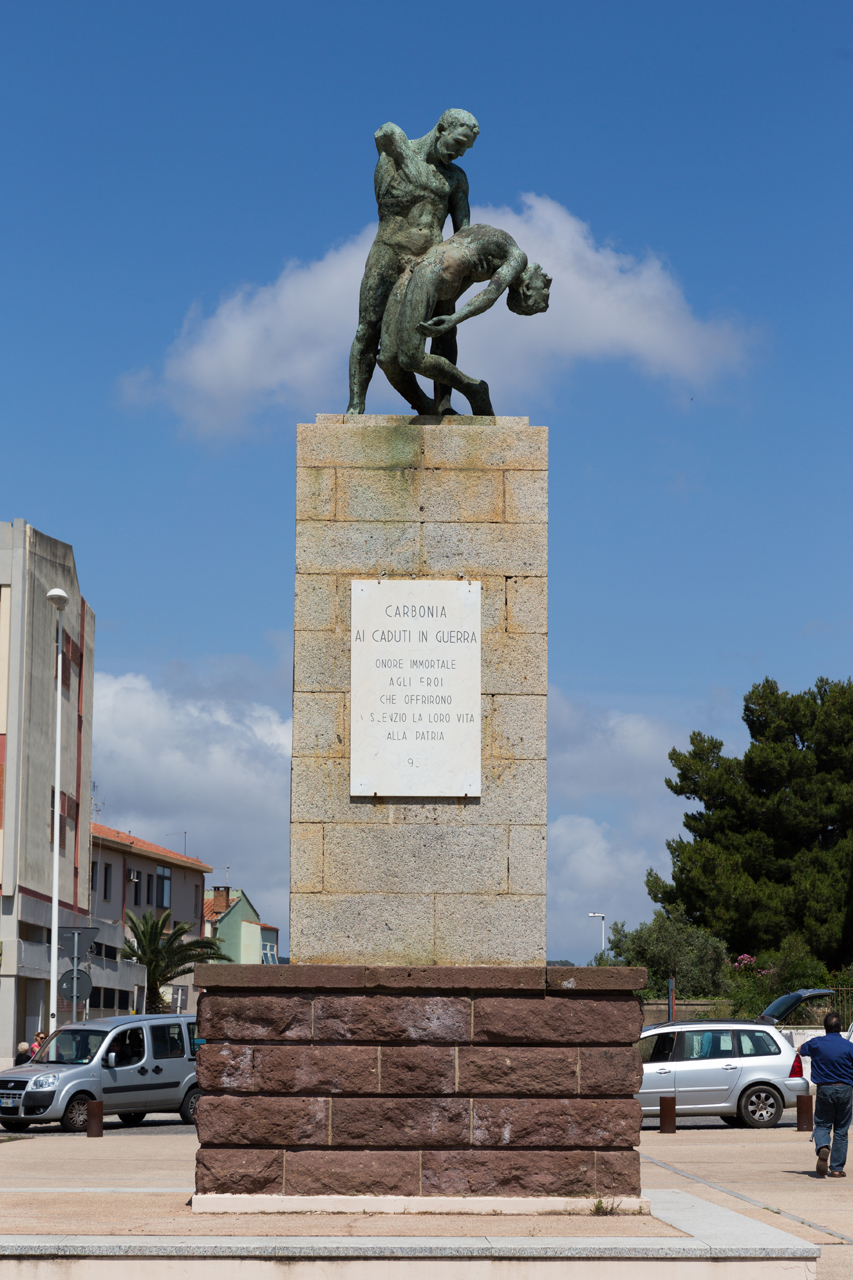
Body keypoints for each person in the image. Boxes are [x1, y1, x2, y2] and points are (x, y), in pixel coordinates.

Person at [347, 109, 479, 415]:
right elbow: (383, 132)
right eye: (458, 143)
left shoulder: (456, 178)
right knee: (368, 328)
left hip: (432, 263)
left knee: (442, 330)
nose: (460, 153)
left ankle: (443, 404)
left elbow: (464, 232)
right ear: (442, 128)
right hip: (388, 253)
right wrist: (406, 151)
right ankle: (357, 403)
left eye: (466, 149)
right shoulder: (395, 156)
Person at [377, 223, 551, 417]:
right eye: (546, 287)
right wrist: (452, 318)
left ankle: (474, 390)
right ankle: (432, 404)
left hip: (433, 273)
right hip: (420, 268)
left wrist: (453, 319)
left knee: (409, 358)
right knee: (387, 359)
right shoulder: (512, 254)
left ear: (526, 289)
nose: (547, 279)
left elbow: (490, 294)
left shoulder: (513, 258)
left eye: (544, 288)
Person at [799, 1011, 853, 1177]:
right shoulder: (849, 1046)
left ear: (825, 1028)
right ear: (841, 1028)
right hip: (845, 1089)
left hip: (824, 1089)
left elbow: (801, 1050)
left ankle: (823, 1145)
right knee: (841, 1129)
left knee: (822, 1124)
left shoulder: (817, 1043)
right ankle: (836, 1169)